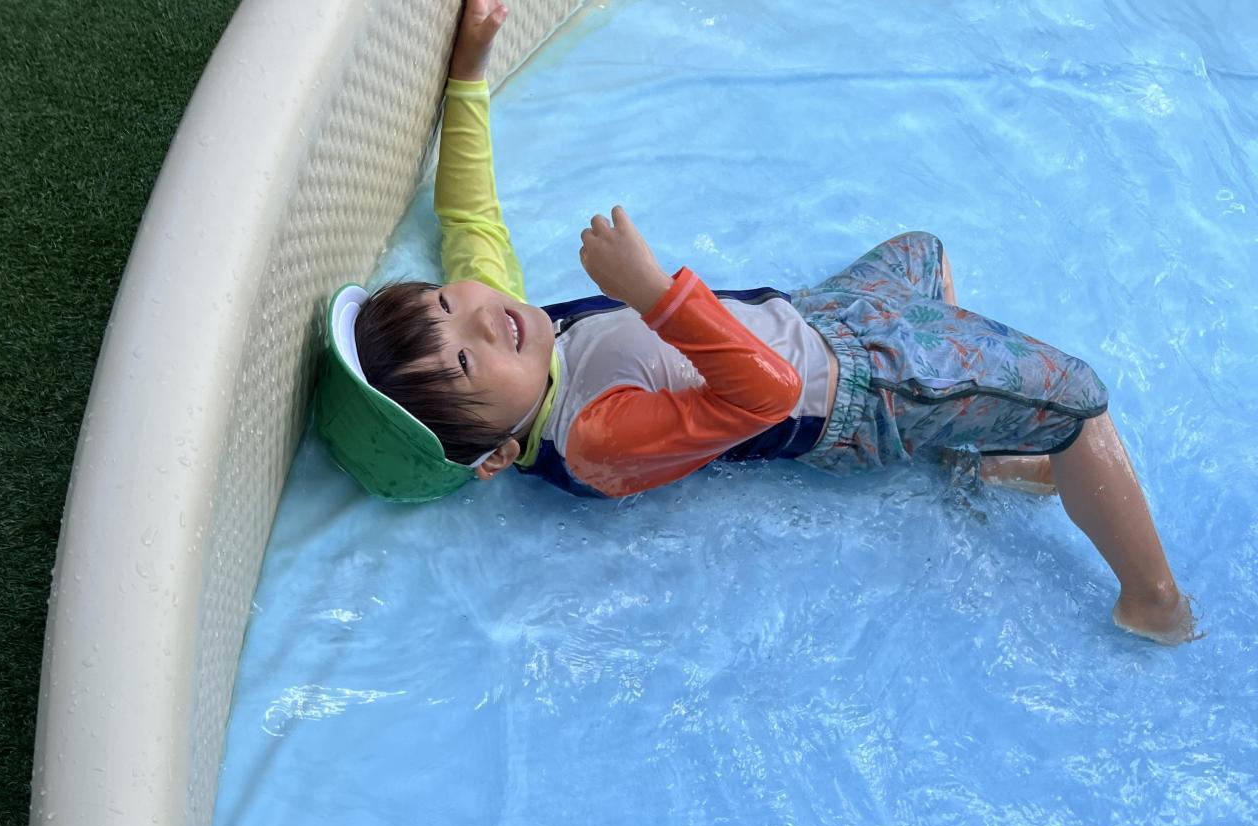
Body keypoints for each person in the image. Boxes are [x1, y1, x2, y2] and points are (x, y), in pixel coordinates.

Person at [315, 0, 1193, 644]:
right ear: (498, 456)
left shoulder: (519, 333)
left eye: (446, 303)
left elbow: (470, 214)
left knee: (922, 253)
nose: (478, 316)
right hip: (860, 393)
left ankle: (988, 451)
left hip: (826, 318)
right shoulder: (593, 438)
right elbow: (763, 398)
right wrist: (654, 293)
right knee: (1077, 399)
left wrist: (468, 71)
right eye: (465, 364)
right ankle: (1150, 601)